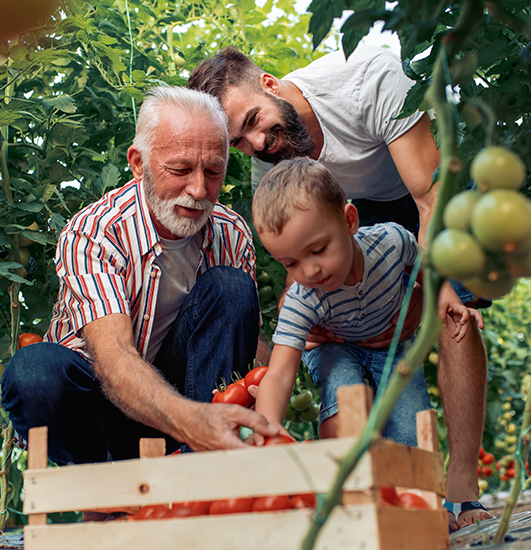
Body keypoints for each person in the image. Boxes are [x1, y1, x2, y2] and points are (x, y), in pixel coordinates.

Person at [188, 45, 491, 530]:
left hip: (425, 186)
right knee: (329, 323)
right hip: (346, 212)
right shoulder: (275, 159)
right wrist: (293, 339)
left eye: (253, 121)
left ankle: (462, 486)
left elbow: (429, 201)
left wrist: (430, 295)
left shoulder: (368, 80)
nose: (258, 143)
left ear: (269, 83)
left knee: (454, 308)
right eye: (239, 143)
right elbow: (296, 260)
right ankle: (375, 496)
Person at [1, 86, 279, 469]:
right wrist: (194, 421)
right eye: (180, 170)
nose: (199, 190)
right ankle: (101, 493)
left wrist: (289, 357)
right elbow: (114, 359)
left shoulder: (231, 232)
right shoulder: (96, 232)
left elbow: (241, 347)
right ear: (138, 163)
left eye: (213, 171)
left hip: (186, 410)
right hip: (100, 412)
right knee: (33, 372)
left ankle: (201, 470)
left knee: (232, 287)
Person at [252, 157, 483, 448]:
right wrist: (267, 426)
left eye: (319, 249)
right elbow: (279, 374)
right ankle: (340, 478)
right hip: (334, 348)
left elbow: (423, 266)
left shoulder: (392, 242)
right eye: (291, 263)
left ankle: (409, 489)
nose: (310, 271)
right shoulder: (303, 298)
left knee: (410, 435)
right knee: (343, 391)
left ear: (350, 220)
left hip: (391, 347)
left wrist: (446, 295)